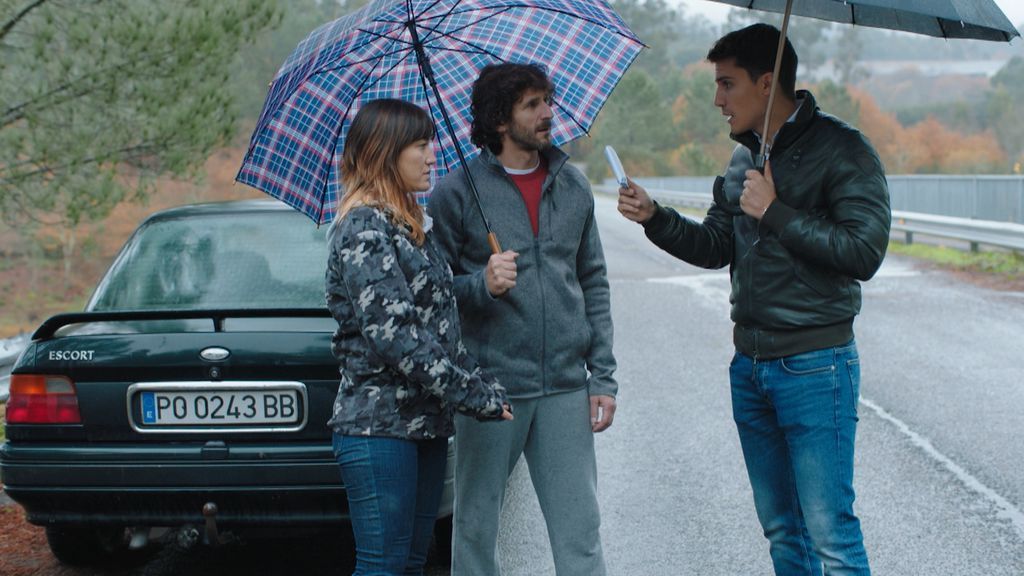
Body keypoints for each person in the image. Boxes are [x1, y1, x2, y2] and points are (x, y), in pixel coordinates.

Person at [618, 23, 889, 576]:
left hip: (816, 366)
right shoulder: (744, 160)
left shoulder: (843, 150)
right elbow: (715, 245)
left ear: (766, 83)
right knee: (784, 531)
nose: (717, 100)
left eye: (727, 84)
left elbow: (864, 252)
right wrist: (655, 218)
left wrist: (776, 212)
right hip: (751, 366)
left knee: (831, 535)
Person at [429, 62, 618, 576]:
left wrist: (602, 376)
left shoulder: (572, 186)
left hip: (565, 386)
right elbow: (432, 293)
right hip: (490, 389)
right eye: (532, 105)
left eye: (547, 101)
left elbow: (594, 282)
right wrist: (481, 285)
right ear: (498, 120)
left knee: (581, 532)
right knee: (476, 528)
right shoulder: (455, 193)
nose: (547, 113)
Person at [325, 98, 513, 576]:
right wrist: (474, 395)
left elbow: (441, 331)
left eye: (431, 143)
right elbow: (399, 340)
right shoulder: (363, 229)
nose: (433, 156)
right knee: (383, 567)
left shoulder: (408, 228)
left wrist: (483, 382)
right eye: (420, 146)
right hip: (379, 428)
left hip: (424, 424)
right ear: (386, 152)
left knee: (411, 565)